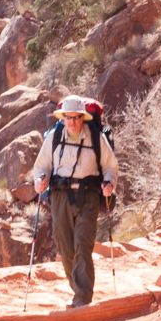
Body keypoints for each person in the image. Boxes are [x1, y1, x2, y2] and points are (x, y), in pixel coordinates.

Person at [29, 95, 119, 308]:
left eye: (77, 118)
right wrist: (39, 182)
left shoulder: (96, 137)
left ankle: (83, 297)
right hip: (60, 196)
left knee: (83, 243)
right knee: (66, 246)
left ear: (83, 117)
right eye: (68, 118)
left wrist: (108, 183)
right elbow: (41, 166)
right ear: (63, 118)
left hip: (88, 196)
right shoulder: (55, 137)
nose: (72, 122)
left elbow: (110, 167)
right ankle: (77, 288)